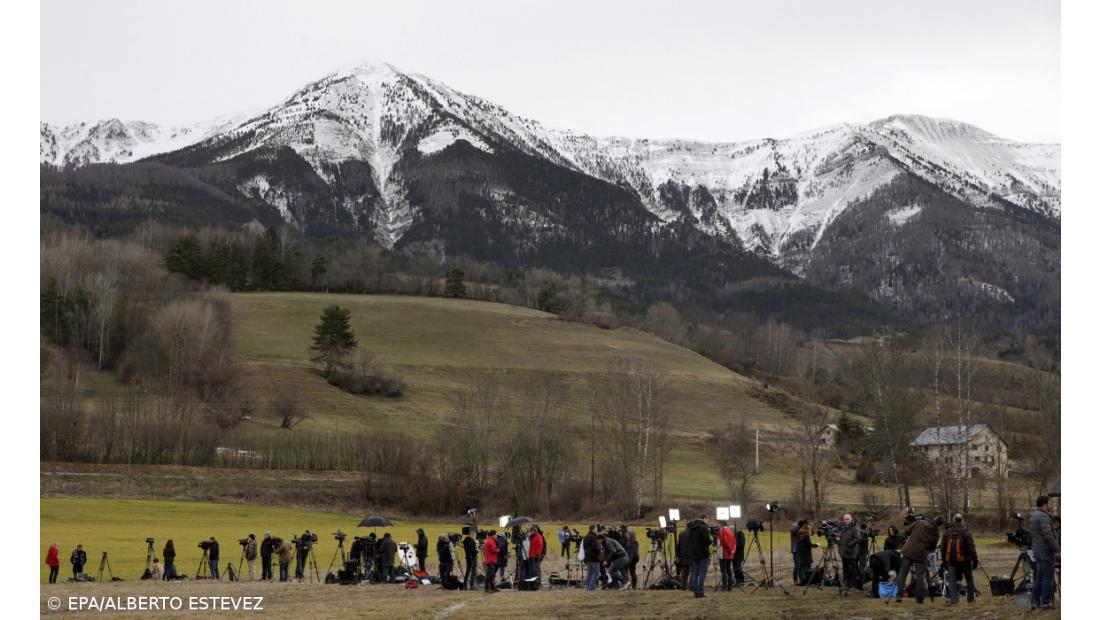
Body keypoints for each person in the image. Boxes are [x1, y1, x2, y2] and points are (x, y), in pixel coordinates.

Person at [894, 515, 943, 604]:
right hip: (921, 554)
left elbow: (906, 531)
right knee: (920, 576)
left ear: (933, 518)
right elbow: (933, 547)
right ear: (939, 525)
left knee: (903, 573)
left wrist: (913, 536)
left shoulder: (920, 522)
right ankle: (919, 598)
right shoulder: (936, 533)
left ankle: (898, 595)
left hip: (909, 551)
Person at [1029, 495, 1060, 610]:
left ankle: (1035, 601)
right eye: (1049, 503)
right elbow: (1048, 535)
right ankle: (1046, 603)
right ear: (1044, 505)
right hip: (1045, 551)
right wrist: (1057, 549)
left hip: (1037, 550)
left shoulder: (1034, 516)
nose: (1051, 505)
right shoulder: (1043, 516)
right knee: (1048, 577)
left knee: (1039, 576)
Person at [941, 513, 978, 604]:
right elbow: (972, 548)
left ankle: (954, 599)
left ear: (953, 520)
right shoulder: (966, 532)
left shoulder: (947, 532)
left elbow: (943, 548)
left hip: (951, 561)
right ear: (962, 520)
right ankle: (970, 599)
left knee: (952, 580)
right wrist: (975, 561)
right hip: (965, 561)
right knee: (969, 579)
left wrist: (944, 561)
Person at [685, 513, 712, 598]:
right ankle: (700, 591)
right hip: (703, 553)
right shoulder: (704, 528)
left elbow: (689, 540)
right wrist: (711, 540)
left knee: (696, 573)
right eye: (707, 519)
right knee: (702, 573)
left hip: (694, 554)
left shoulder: (691, 528)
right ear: (704, 519)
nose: (707, 521)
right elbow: (707, 541)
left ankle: (696, 591)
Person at [839, 514, 864, 591]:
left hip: (851, 552)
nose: (846, 521)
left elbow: (858, 538)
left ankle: (853, 584)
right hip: (844, 552)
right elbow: (842, 538)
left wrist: (850, 544)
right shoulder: (843, 528)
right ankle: (846, 583)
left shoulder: (855, 528)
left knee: (852, 569)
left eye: (848, 519)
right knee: (845, 569)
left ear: (851, 519)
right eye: (845, 519)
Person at [717, 522, 737, 591]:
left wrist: (729, 550)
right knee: (729, 570)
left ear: (721, 524)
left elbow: (725, 542)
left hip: (724, 553)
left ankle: (724, 586)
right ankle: (730, 586)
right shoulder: (730, 531)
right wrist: (732, 551)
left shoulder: (722, 530)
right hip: (730, 554)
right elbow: (734, 542)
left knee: (724, 570)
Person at [583, 525, 601, 591]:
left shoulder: (586, 536)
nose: (596, 530)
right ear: (593, 529)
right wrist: (599, 552)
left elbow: (584, 547)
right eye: (596, 529)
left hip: (587, 557)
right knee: (595, 573)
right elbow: (595, 547)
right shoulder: (593, 537)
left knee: (589, 573)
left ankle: (588, 588)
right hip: (594, 557)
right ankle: (591, 588)